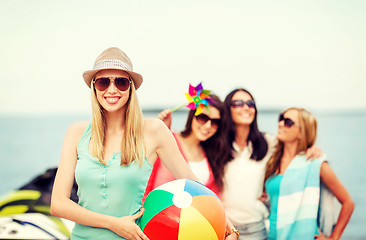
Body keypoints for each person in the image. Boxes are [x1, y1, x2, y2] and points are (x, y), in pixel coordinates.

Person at [50, 47, 200, 240]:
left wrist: (227, 226)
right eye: (104, 82)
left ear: (131, 88)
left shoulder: (154, 130)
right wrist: (114, 223)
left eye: (121, 82)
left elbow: (195, 187)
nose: (112, 89)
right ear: (94, 87)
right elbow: (58, 204)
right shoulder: (76, 133)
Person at [221, 88, 322, 240]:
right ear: (228, 109)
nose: (246, 107)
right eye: (238, 103)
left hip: (257, 228)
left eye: (250, 103)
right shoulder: (217, 146)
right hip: (225, 228)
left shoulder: (268, 142)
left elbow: (294, 145)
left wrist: (312, 148)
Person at [264, 107, 354, 240]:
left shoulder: (314, 163)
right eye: (281, 119)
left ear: (302, 132)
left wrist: (333, 238)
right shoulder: (273, 161)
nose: (280, 124)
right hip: (273, 236)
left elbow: (348, 203)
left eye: (288, 122)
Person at [144, 94, 232, 198]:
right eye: (202, 117)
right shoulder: (168, 140)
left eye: (215, 122)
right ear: (192, 116)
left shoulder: (213, 155)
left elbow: (210, 199)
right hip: (155, 212)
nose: (208, 126)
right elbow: (145, 180)